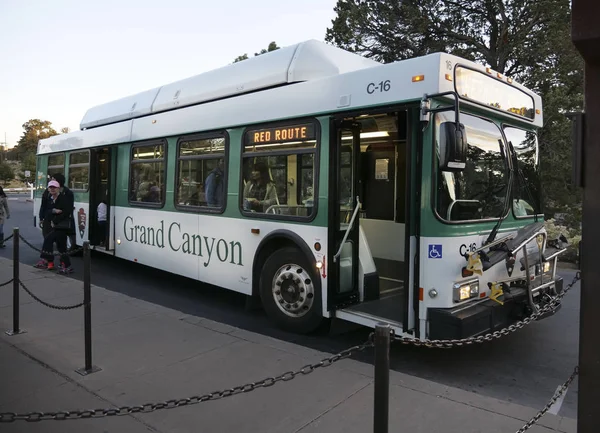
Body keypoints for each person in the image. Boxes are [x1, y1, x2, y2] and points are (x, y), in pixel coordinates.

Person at [33, 180, 74, 273]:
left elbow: (67, 212)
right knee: (61, 246)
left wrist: (55, 220)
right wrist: (54, 211)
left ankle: (47, 260)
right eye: (50, 187)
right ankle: (66, 265)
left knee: (49, 240)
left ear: (58, 189)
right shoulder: (49, 199)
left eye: (54, 187)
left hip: (62, 226)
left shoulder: (63, 199)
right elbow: (47, 211)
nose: (52, 189)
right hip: (54, 226)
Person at [52, 173, 77, 250]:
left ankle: (63, 261)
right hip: (54, 223)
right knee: (51, 242)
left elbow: (67, 210)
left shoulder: (68, 193)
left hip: (63, 222)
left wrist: (56, 220)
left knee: (62, 246)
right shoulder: (50, 191)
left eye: (53, 180)